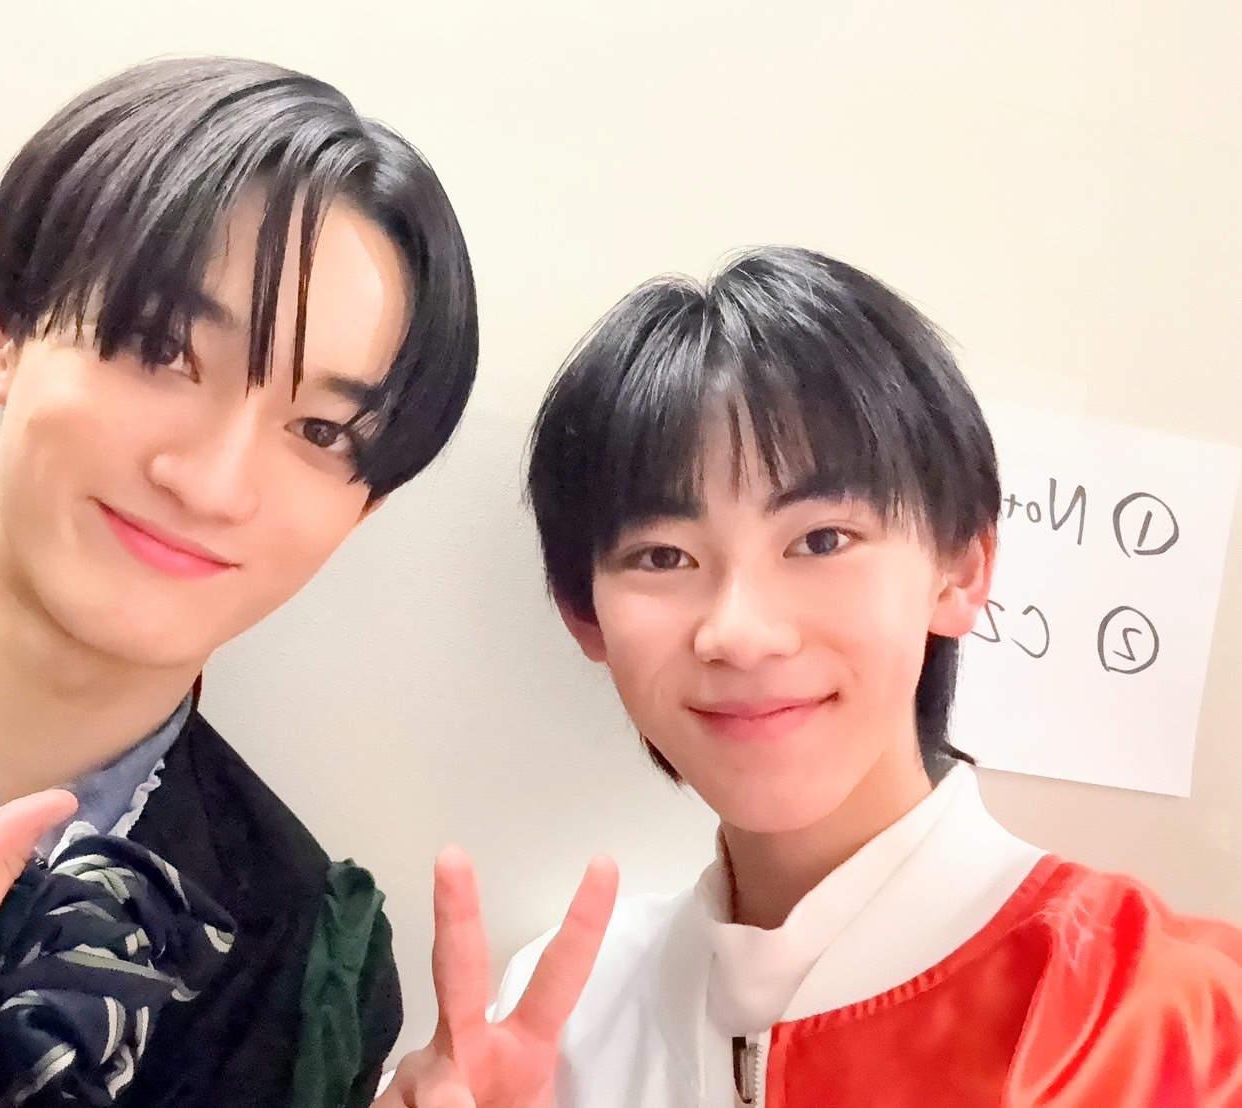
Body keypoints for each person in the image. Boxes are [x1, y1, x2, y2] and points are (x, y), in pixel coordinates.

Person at [0, 54, 482, 1106]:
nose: (213, 483)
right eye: (161, 350)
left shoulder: (302, 972)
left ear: (363, 508)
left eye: (321, 431)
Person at [484, 246, 1242, 1106]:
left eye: (820, 540)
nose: (741, 634)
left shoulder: (1173, 1026)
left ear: (960, 569)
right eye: (663, 556)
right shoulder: (559, 1019)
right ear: (582, 614)